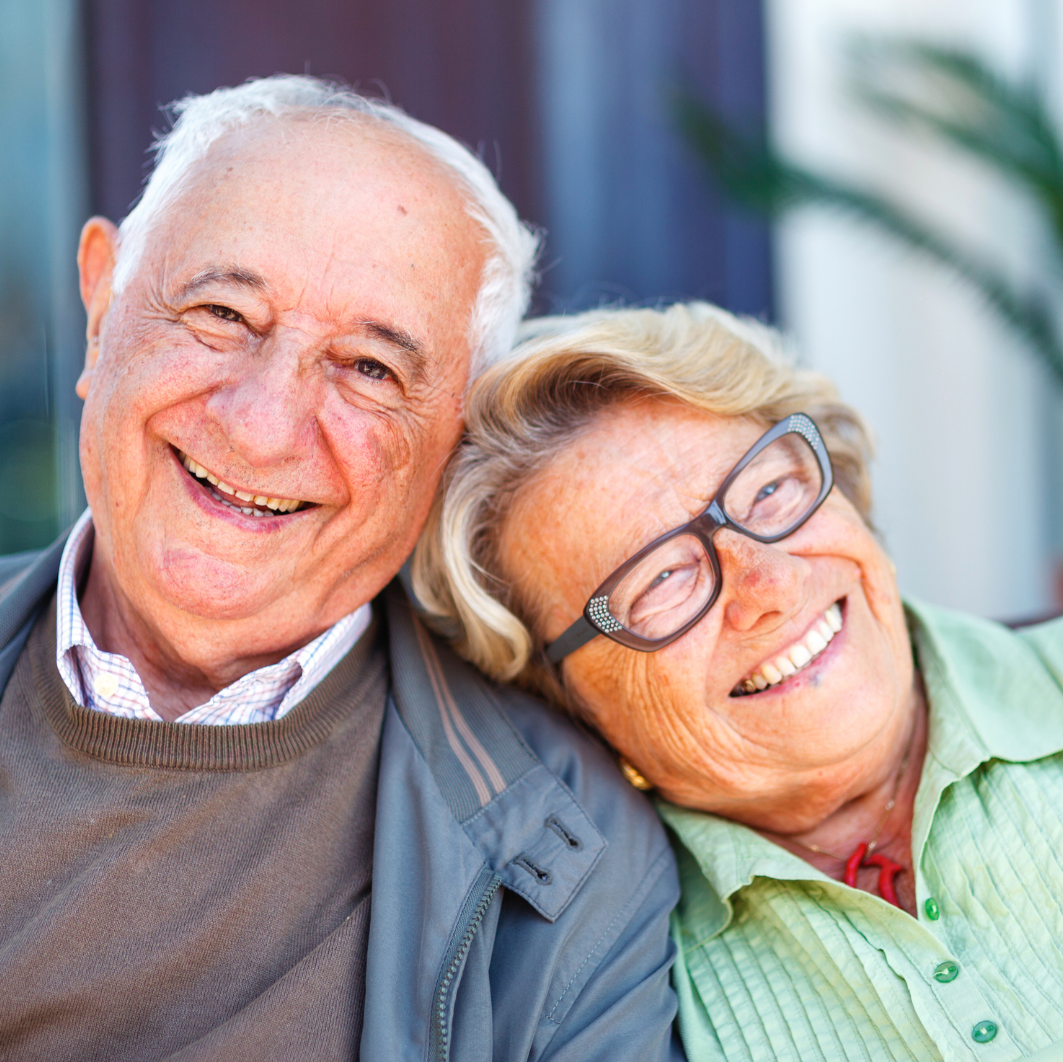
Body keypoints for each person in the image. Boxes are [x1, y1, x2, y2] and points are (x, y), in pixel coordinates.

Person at [0, 77, 683, 1061]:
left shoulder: (568, 856)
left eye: (370, 368)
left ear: (456, 437)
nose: (263, 424)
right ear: (103, 308)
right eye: (222, 312)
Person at [414, 301, 1063, 1062]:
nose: (768, 584)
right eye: (660, 577)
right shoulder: (609, 986)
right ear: (567, 696)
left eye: (767, 492)